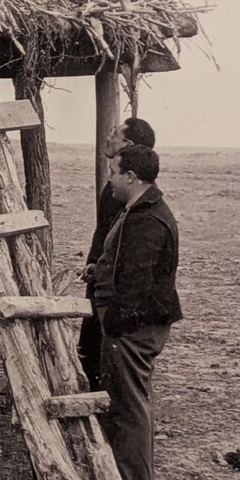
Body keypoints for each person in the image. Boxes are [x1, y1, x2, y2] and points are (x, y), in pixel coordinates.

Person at [92, 144, 182, 480]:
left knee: (128, 404)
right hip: (134, 323)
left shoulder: (147, 219)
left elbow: (136, 283)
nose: (110, 179)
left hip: (134, 326)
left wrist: (115, 320)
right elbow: (124, 267)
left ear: (131, 177)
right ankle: (127, 477)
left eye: (114, 172)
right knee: (129, 399)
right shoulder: (139, 210)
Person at [78, 116, 156, 389]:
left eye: (115, 134)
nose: (108, 138)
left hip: (113, 288)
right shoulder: (124, 189)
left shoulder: (128, 195)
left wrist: (99, 269)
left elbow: (115, 242)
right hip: (102, 276)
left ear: (129, 145)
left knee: (102, 350)